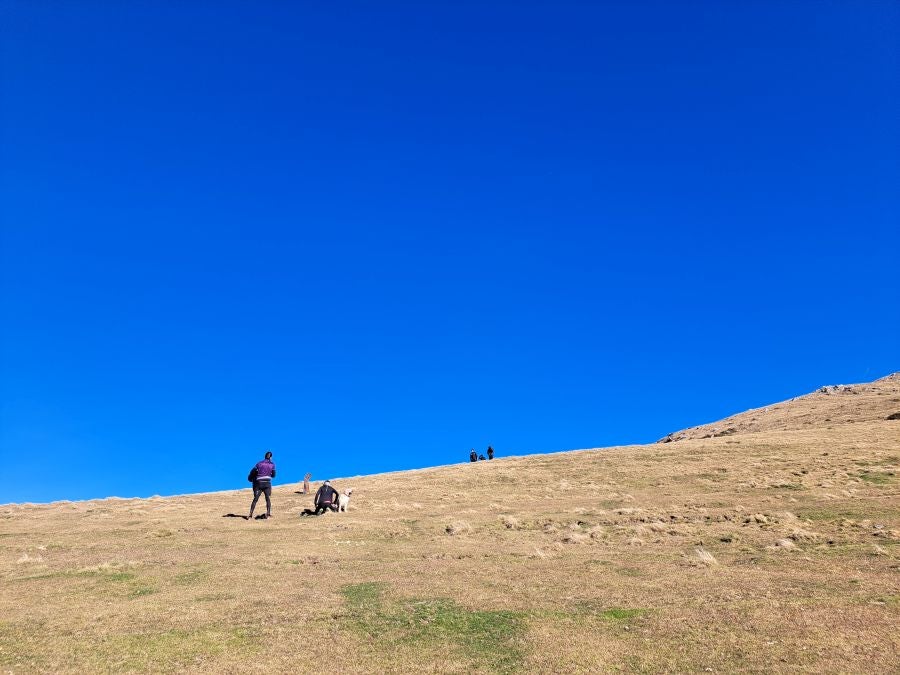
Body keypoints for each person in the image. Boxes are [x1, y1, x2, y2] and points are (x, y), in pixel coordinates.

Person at [247, 451, 276, 520]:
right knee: (268, 498)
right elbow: (274, 475)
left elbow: (253, 471)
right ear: (271, 457)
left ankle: (250, 515)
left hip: (258, 483)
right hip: (267, 483)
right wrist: (269, 474)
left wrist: (250, 478)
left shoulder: (259, 463)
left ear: (265, 456)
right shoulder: (272, 464)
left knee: (255, 499)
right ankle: (268, 514)